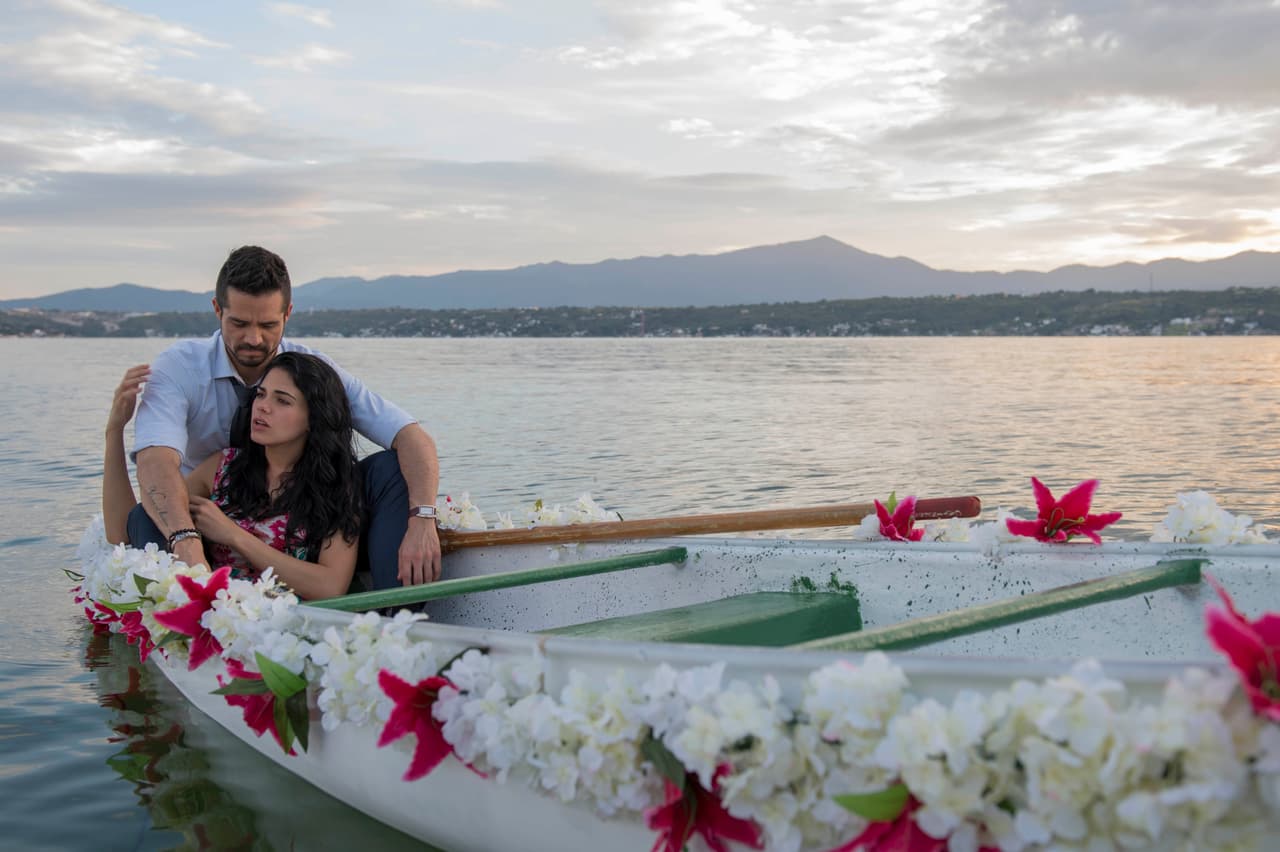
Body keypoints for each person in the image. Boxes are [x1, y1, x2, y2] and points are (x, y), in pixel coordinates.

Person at [125, 246, 441, 590]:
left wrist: (422, 519)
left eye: (268, 324)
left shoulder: (311, 371)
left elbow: (411, 436)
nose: (253, 338)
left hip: (304, 511)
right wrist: (188, 545)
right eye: (240, 323)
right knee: (148, 515)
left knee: (387, 469)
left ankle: (395, 615)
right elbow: (155, 461)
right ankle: (182, 612)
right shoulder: (179, 366)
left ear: (288, 314)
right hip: (202, 516)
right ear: (217, 310)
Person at [105, 353, 364, 600]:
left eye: (282, 400)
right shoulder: (224, 468)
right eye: (261, 394)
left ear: (314, 418)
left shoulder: (337, 484)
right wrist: (115, 431)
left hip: (281, 628)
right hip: (209, 616)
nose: (262, 407)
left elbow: (330, 586)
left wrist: (233, 535)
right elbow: (126, 530)